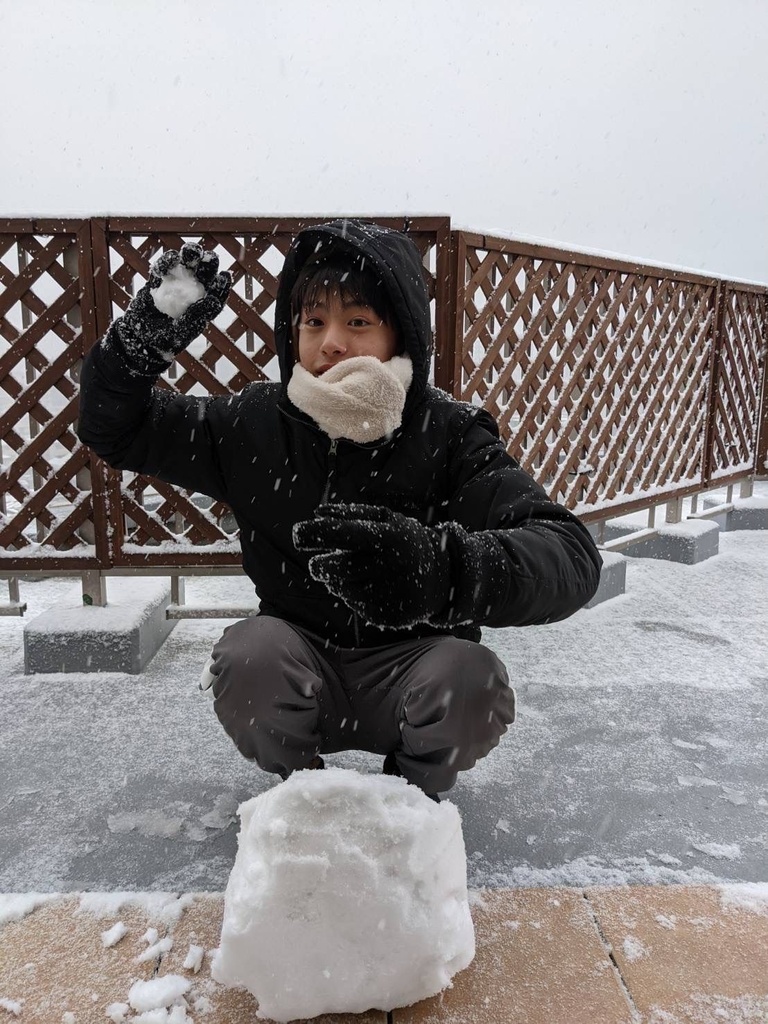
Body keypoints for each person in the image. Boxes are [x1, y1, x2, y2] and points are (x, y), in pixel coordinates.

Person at [77, 219, 602, 799]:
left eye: (357, 321)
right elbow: (115, 429)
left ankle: (408, 804)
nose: (331, 341)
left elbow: (571, 556)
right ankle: (304, 800)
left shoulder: (447, 432)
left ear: (400, 334)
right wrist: (144, 336)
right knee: (247, 657)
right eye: (314, 321)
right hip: (301, 664)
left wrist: (443, 569)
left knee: (471, 680)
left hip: (414, 667)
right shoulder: (254, 423)